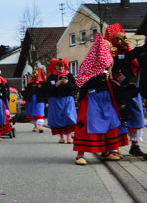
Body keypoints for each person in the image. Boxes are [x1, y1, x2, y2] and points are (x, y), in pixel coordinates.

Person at [73, 34, 124, 165]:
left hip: (106, 100)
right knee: (86, 125)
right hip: (92, 100)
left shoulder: (109, 66)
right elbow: (83, 83)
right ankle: (80, 154)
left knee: (110, 123)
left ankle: (107, 151)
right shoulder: (89, 66)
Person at [107, 24, 144, 157]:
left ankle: (135, 145)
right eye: (119, 39)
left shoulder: (131, 55)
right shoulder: (112, 56)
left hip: (132, 88)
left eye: (123, 39)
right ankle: (114, 147)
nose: (122, 42)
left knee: (137, 115)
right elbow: (116, 68)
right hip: (117, 90)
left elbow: (136, 57)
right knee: (119, 117)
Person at [45, 58, 78, 144]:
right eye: (59, 66)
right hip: (55, 100)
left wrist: (67, 83)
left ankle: (69, 136)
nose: (61, 68)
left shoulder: (69, 76)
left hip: (67, 100)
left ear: (65, 66)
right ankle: (62, 137)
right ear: (55, 66)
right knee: (58, 118)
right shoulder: (51, 77)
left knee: (68, 117)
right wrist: (56, 85)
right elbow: (47, 90)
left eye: (62, 66)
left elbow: (75, 88)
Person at [23, 68, 47, 133]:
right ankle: (36, 126)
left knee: (40, 112)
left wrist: (47, 101)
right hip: (31, 100)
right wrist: (25, 99)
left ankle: (40, 126)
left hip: (40, 100)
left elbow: (45, 93)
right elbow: (26, 92)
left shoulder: (43, 83)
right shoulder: (30, 83)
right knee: (33, 113)